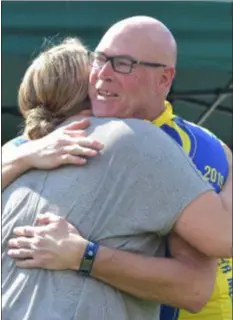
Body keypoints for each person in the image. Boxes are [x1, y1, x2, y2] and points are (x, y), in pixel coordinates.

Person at [2, 16, 232, 320]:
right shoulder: (34, 151)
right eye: (99, 59)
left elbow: (203, 275)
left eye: (124, 63)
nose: (103, 74)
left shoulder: (167, 144)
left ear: (164, 79)